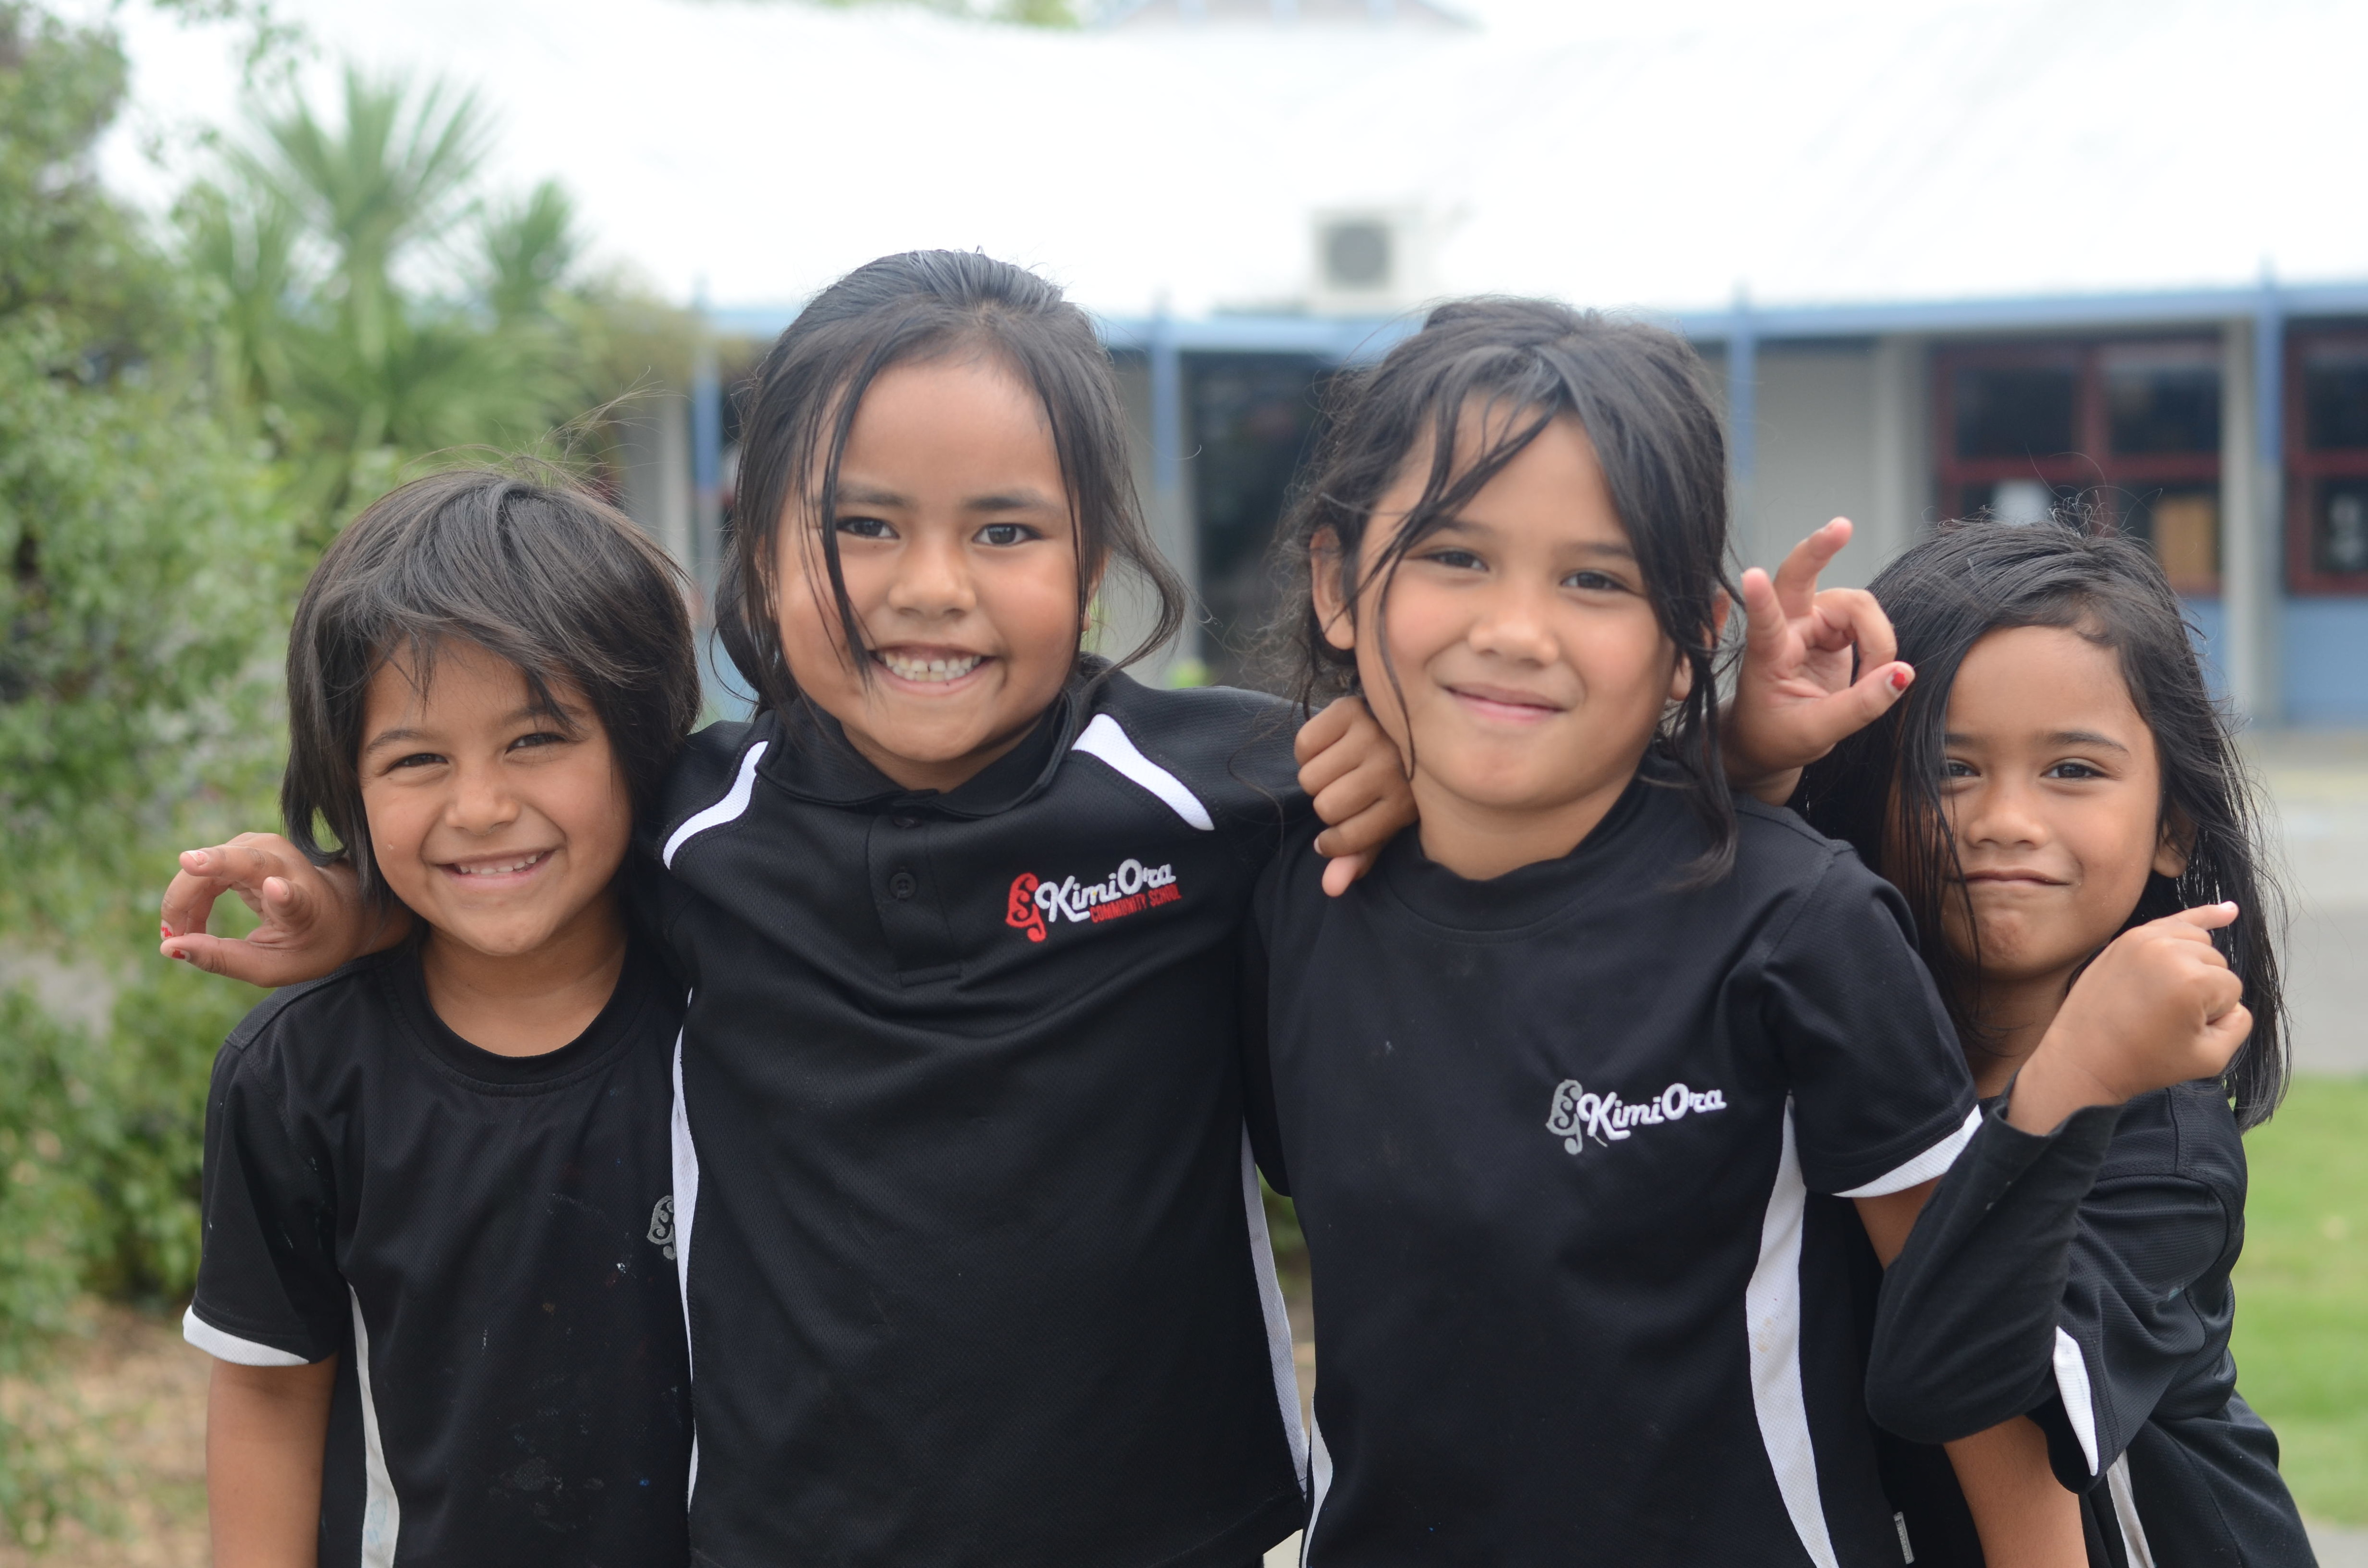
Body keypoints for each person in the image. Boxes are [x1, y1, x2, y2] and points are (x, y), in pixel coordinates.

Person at [162, 255, 1903, 1568]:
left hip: (1179, 1534)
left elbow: (1543, 818)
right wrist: (358, 916)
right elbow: (511, 858)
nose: (932, 588)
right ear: (759, 546)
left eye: (1005, 529)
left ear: (1093, 556)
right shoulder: (700, 824)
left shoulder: (1232, 792)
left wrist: (1735, 753)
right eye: (862, 525)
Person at [1241, 296, 1994, 1565]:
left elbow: (1977, 1345)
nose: (1516, 630)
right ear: (1335, 582)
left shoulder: (1800, 930)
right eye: (1452, 556)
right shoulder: (1284, 901)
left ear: (1693, 636)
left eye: (1595, 579)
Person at [186, 469, 701, 1567]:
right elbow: (270, 1402)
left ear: (643, 739)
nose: (480, 806)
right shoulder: (300, 1076)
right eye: (417, 759)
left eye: (536, 740)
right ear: (346, 783)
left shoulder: (736, 1012)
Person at [1798, 517, 2314, 1568]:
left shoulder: (2163, 1147)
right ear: (1867, 793)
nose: (2004, 820)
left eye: (2072, 770)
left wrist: (2068, 1080)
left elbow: (1942, 1377)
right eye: (1948, 769)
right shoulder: (1827, 1044)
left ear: (2172, 826)